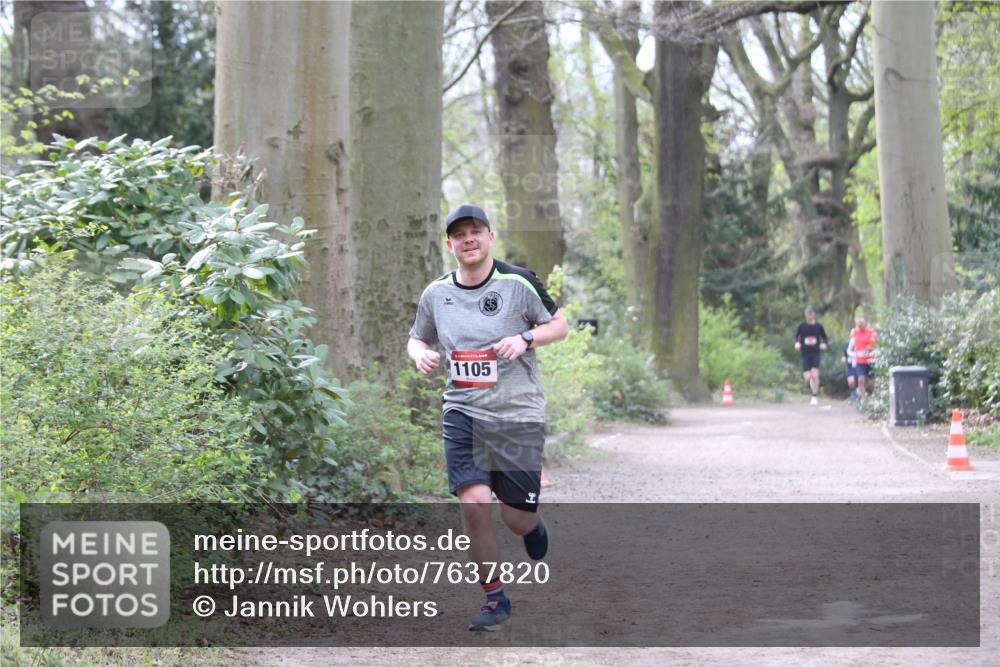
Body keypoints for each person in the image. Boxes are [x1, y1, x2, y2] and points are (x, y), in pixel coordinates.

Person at [407, 204, 569, 631]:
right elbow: (415, 338)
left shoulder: (518, 282)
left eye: (475, 231)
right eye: (459, 235)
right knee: (475, 507)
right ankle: (495, 598)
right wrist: (421, 353)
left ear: (490, 236)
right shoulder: (436, 294)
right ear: (449, 245)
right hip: (463, 410)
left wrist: (525, 337)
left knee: (516, 519)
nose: (469, 239)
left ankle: (530, 522)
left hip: (516, 412)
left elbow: (559, 325)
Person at [793, 305, 829, 405]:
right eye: (808, 313)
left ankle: (814, 396)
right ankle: (813, 390)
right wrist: (797, 343)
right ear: (805, 314)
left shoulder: (818, 326)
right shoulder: (801, 326)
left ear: (814, 314)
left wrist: (825, 344)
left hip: (815, 352)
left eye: (811, 313)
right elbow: (795, 336)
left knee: (815, 374)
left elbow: (825, 338)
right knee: (808, 376)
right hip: (805, 353)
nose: (809, 315)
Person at [850, 315, 878, 400]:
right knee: (860, 380)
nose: (860, 327)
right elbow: (853, 343)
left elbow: (876, 343)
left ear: (865, 324)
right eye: (859, 325)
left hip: (870, 359)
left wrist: (870, 347)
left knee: (872, 381)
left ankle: (875, 397)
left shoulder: (871, 332)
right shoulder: (854, 332)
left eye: (862, 325)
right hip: (860, 360)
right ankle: (863, 399)